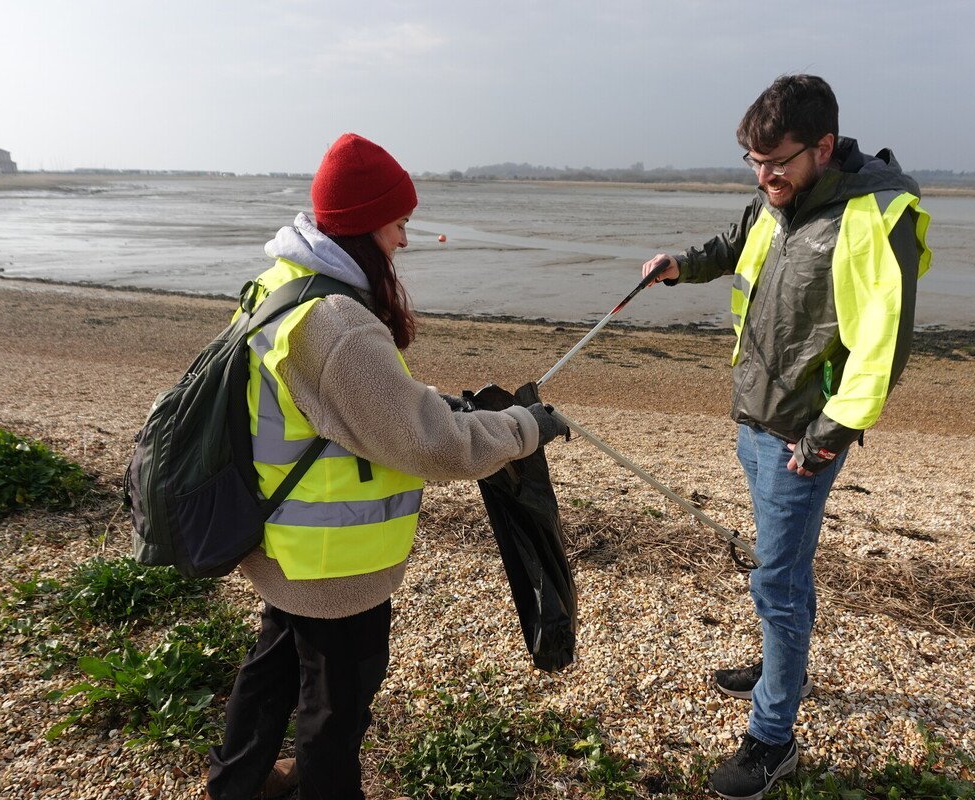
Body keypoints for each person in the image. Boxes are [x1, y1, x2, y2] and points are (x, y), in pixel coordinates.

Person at [204, 132, 568, 800]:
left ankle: (238, 782)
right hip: (333, 563)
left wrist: (438, 403)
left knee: (275, 666)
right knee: (335, 712)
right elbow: (428, 444)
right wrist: (525, 428)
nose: (404, 240)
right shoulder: (337, 324)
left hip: (282, 543)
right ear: (367, 224)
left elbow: (338, 407)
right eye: (400, 224)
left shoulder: (280, 284)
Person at [640, 75, 932, 800]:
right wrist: (681, 265)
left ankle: (773, 738)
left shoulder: (873, 215)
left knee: (779, 579)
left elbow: (884, 345)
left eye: (777, 162)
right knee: (778, 569)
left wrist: (827, 436)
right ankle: (778, 665)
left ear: (823, 148)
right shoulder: (775, 201)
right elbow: (736, 241)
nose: (764, 176)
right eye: (752, 161)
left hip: (803, 436)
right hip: (753, 417)